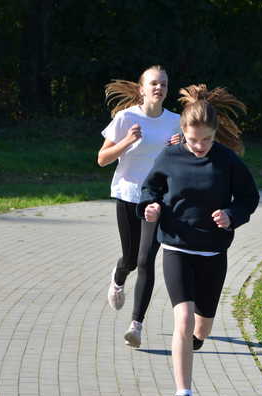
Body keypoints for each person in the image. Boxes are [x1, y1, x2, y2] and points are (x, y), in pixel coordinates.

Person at [137, 84, 259, 396]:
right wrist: (150, 207)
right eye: (193, 140)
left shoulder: (228, 161)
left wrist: (232, 216)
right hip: (176, 246)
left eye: (206, 139)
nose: (199, 146)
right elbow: (151, 188)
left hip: (212, 253)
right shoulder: (171, 154)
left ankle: (196, 341)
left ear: (215, 134)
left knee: (201, 327)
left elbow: (249, 198)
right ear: (183, 133)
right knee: (184, 318)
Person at [97, 65, 181, 348]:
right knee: (131, 259)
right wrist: (128, 141)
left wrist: (180, 146)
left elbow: (188, 155)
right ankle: (119, 278)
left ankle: (136, 325)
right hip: (127, 193)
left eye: (164, 85)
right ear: (142, 89)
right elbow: (103, 158)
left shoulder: (175, 121)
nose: (159, 88)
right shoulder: (126, 117)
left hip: (157, 199)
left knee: (146, 260)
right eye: (154, 83)